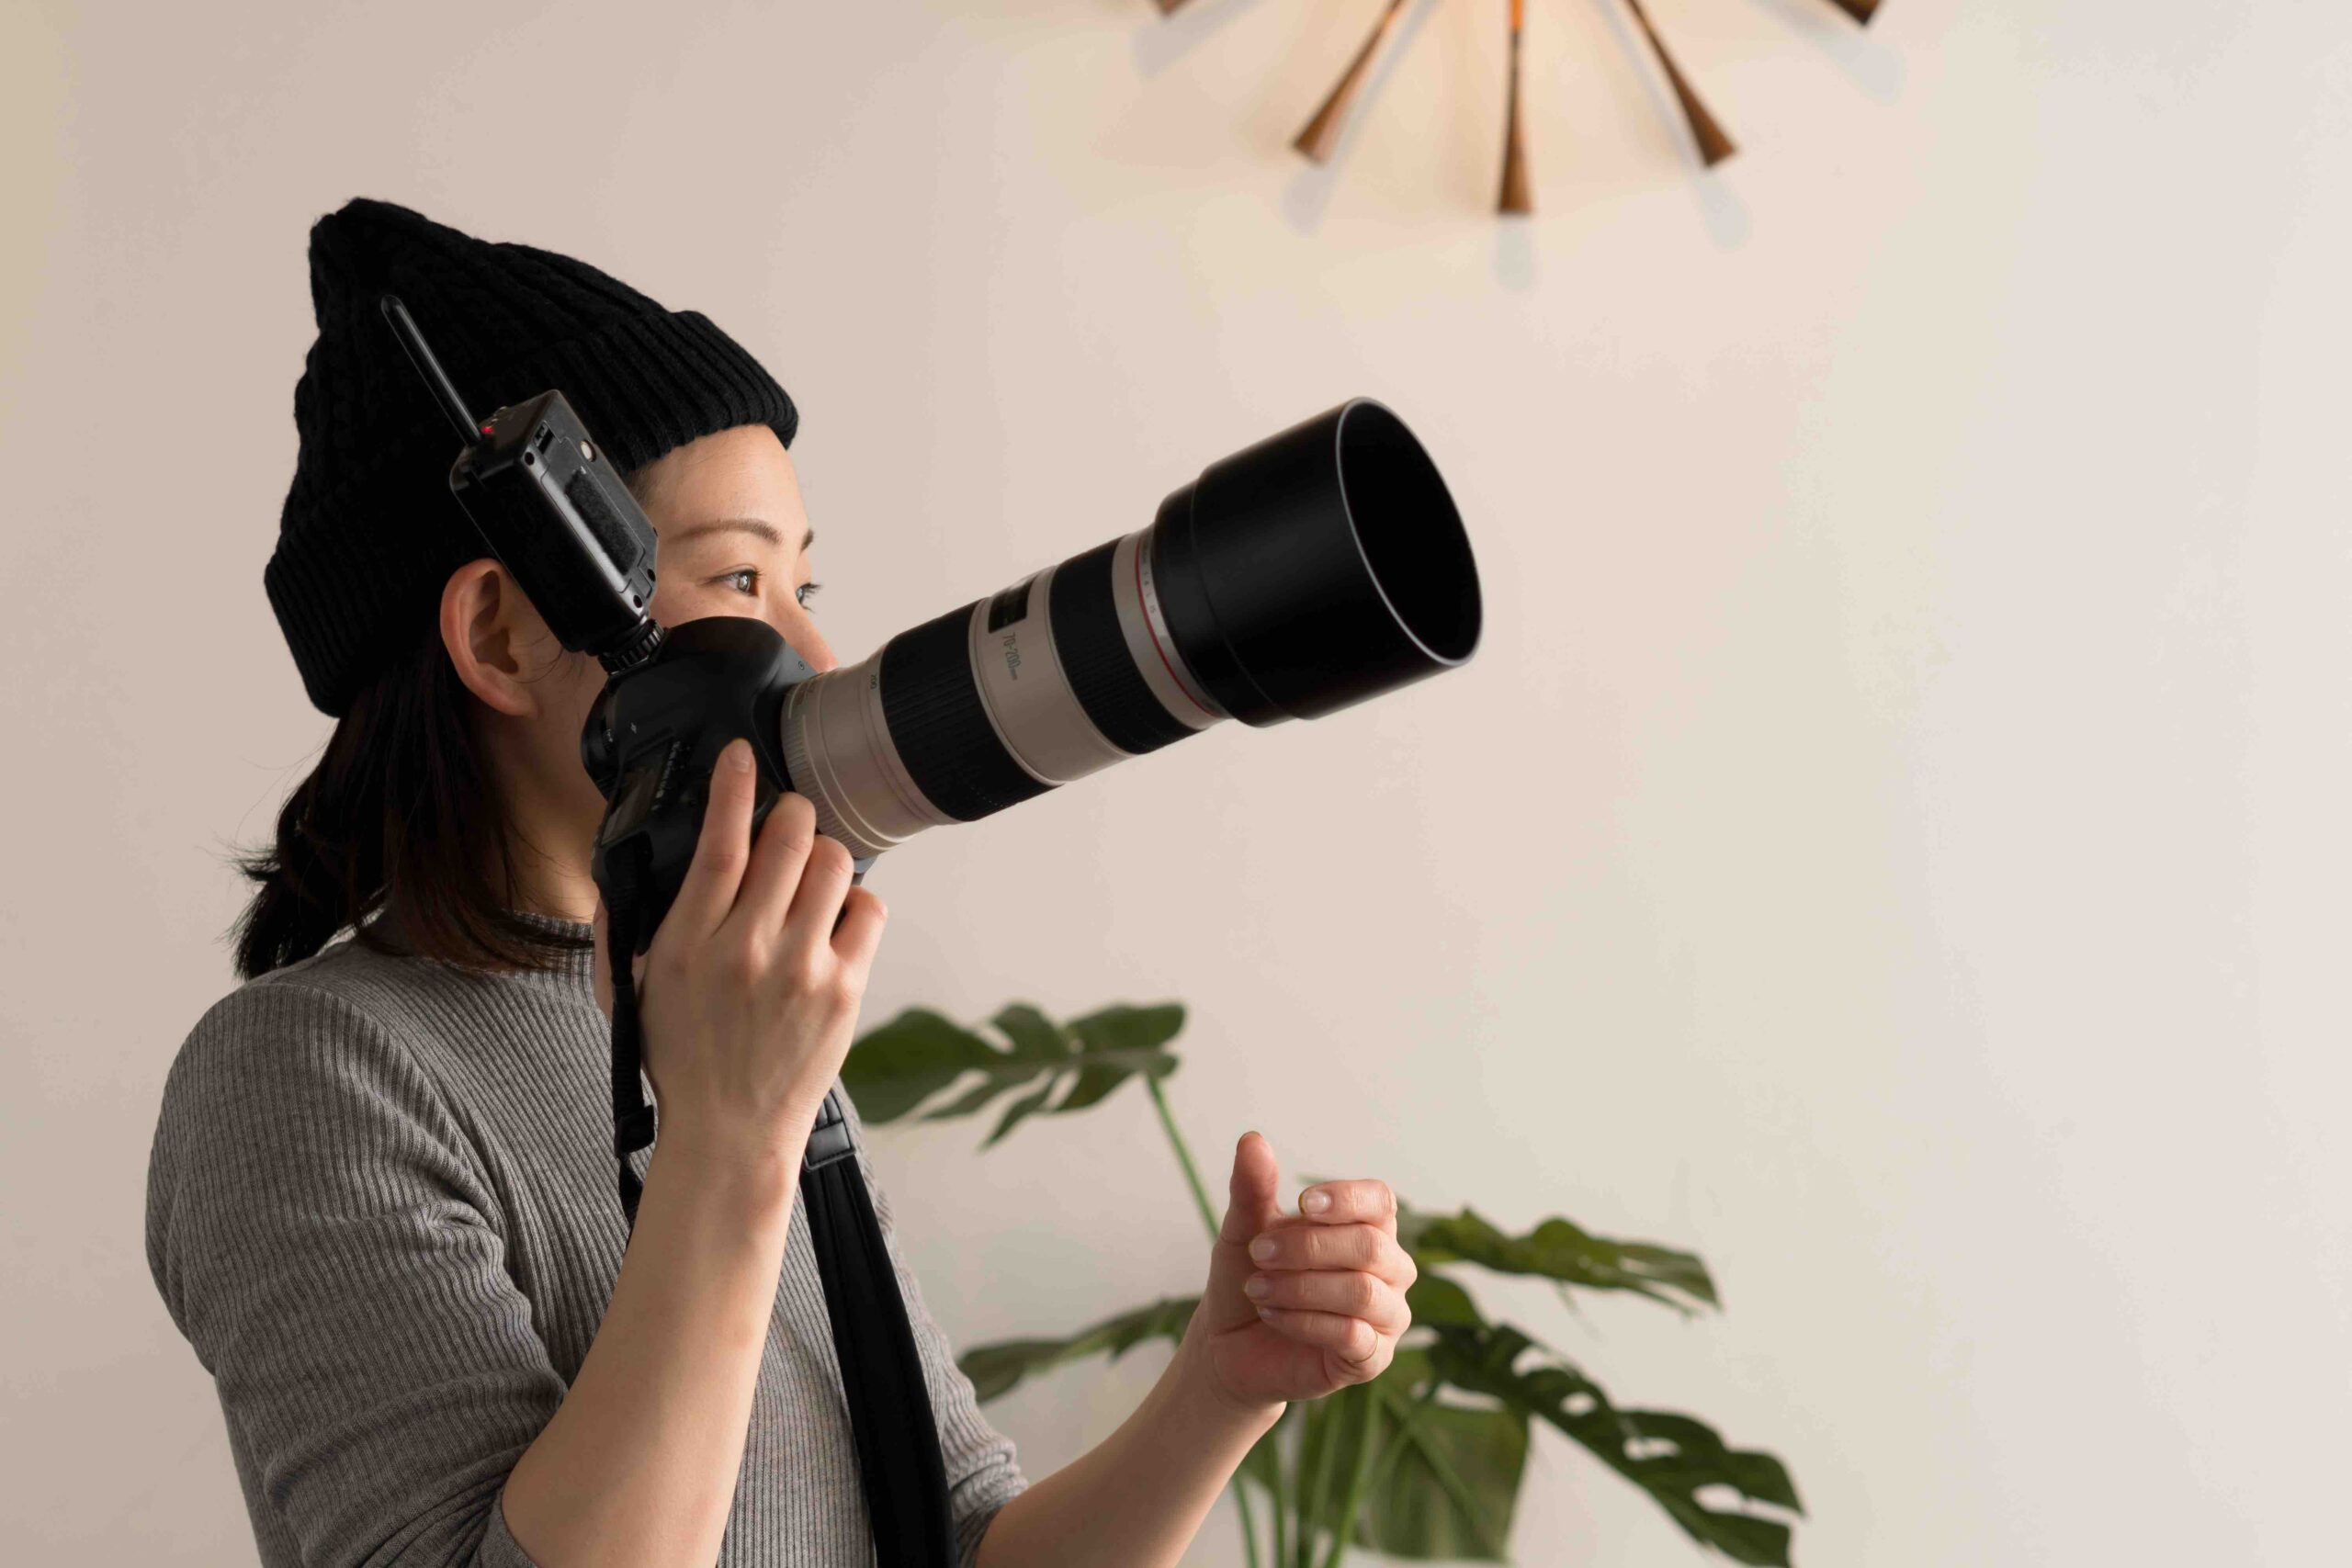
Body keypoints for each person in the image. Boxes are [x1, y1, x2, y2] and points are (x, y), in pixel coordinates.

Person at [143, 197, 1419, 1568]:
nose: (812, 655)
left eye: (805, 587)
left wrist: (1220, 1389)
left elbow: (952, 1540)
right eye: (741, 579)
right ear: (502, 635)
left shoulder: (710, 1019)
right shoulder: (306, 1075)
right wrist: (729, 1144)